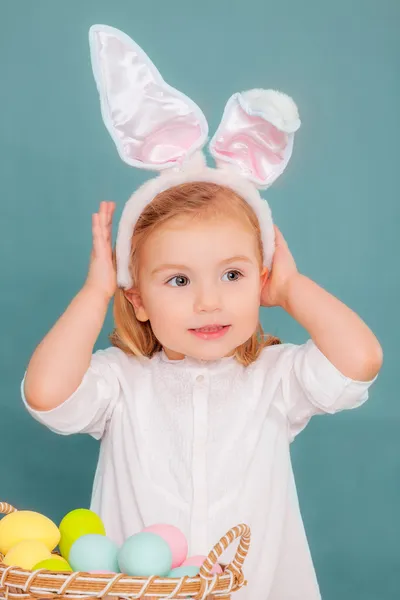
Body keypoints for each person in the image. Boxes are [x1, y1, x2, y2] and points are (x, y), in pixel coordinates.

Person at [21, 25, 383, 599]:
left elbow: (361, 360)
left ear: (259, 280)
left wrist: (291, 288)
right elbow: (47, 394)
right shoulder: (121, 383)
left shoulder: (274, 379)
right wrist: (94, 294)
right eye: (179, 280)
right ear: (137, 299)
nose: (209, 300)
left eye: (234, 275)